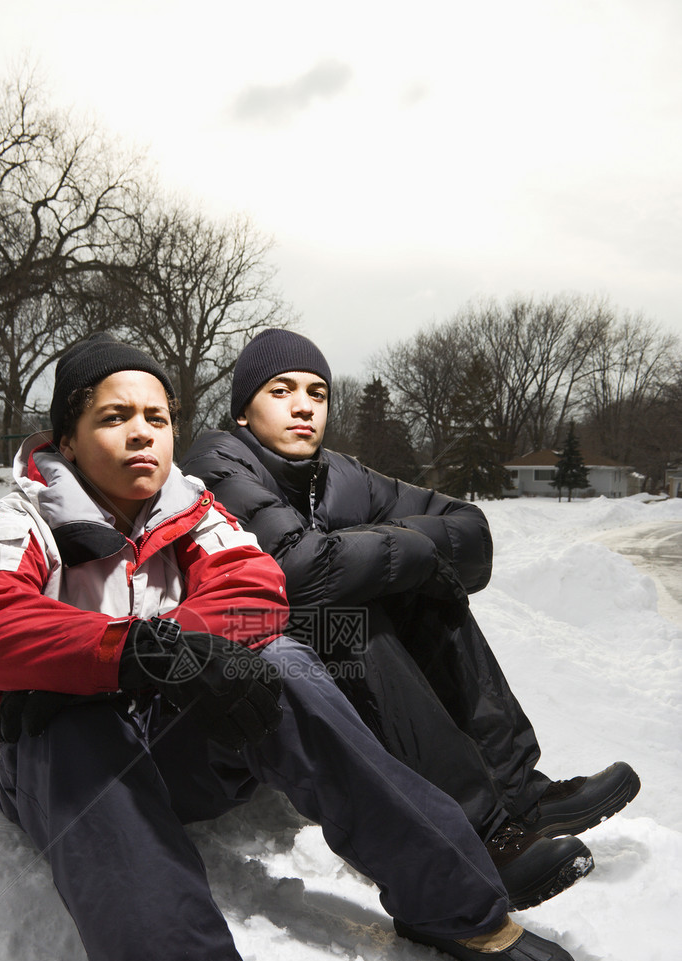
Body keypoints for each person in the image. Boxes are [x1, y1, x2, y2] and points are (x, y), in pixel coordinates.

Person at [0, 335, 582, 961]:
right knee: (66, 719)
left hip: (186, 724)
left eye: (157, 417)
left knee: (299, 649)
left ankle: (463, 884)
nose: (142, 436)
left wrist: (199, 655)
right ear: (69, 433)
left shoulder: (209, 498)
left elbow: (258, 580)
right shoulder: (29, 515)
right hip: (67, 754)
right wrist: (140, 650)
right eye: (115, 417)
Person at [183, 328, 640, 907]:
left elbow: (472, 536)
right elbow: (298, 573)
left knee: (426, 592)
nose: (303, 406)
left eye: (318, 393)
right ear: (244, 410)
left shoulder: (340, 474)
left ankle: (519, 792)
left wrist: (388, 548)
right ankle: (476, 836)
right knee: (355, 617)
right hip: (225, 662)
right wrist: (407, 548)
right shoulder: (217, 461)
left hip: (295, 650)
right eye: (281, 390)